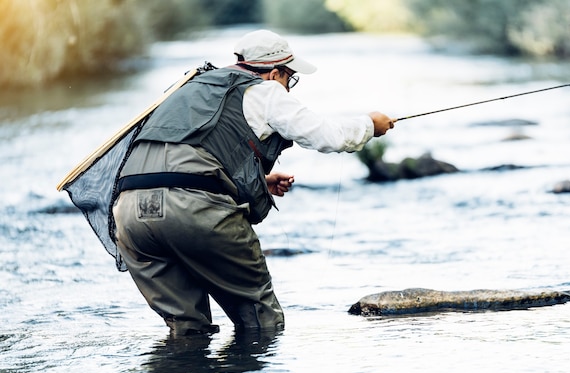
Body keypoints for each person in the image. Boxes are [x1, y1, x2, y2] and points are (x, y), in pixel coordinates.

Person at [112, 29, 395, 336]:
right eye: (290, 78)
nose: (288, 87)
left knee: (187, 328)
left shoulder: (189, 88)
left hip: (128, 215)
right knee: (261, 323)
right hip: (194, 206)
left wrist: (257, 180)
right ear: (275, 73)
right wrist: (370, 124)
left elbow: (182, 155)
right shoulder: (266, 90)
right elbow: (329, 136)